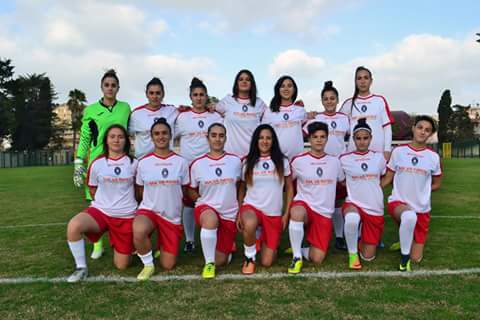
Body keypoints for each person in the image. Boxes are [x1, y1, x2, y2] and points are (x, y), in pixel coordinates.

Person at [66, 125, 138, 282]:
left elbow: (139, 191)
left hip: (125, 216)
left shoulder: (134, 163)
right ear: (106, 140)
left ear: (126, 140)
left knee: (122, 265)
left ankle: (130, 246)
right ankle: (81, 268)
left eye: (120, 136)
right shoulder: (97, 163)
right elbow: (93, 189)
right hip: (101, 212)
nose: (116, 140)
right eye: (112, 136)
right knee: (74, 226)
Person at [73, 69, 131, 259]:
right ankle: (97, 243)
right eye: (107, 85)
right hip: (98, 161)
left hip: (121, 159)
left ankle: (122, 238)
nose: (110, 88)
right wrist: (79, 161)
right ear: (101, 87)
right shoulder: (90, 110)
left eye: (113, 85)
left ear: (118, 88)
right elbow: (85, 137)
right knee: (95, 200)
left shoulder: (125, 107)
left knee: (122, 198)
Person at [381, 115, 442, 271]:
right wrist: (370, 189)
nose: (423, 132)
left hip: (421, 208)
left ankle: (405, 241)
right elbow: (388, 178)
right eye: (420, 127)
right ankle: (403, 259)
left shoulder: (434, 157)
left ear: (430, 135)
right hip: (399, 204)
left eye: (427, 130)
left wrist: (423, 190)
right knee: (408, 216)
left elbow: (437, 184)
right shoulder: (398, 152)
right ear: (413, 128)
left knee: (417, 258)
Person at [133, 118, 189, 280]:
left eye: (164, 133)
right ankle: (148, 265)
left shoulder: (181, 162)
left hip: (171, 217)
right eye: (156, 134)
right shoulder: (143, 163)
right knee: (138, 228)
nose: (161, 136)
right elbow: (140, 191)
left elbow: (183, 190)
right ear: (152, 137)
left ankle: (161, 245)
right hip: (149, 211)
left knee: (168, 264)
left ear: (171, 135)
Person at [288, 121, 345, 273]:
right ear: (309, 140)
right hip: (305, 206)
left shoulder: (335, 162)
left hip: (324, 212)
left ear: (327, 139)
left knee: (317, 258)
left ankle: (302, 248)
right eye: (315, 137)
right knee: (297, 212)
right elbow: (287, 183)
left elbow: (343, 183)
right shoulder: (298, 161)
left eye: (322, 137)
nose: (319, 140)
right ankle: (296, 257)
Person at [174, 77, 223, 253]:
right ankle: (189, 240)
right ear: (190, 97)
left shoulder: (215, 116)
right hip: (189, 167)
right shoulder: (182, 117)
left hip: (211, 166)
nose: (199, 98)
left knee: (212, 202)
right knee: (189, 203)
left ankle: (214, 236)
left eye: (202, 94)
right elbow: (170, 136)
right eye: (195, 95)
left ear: (206, 96)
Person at [188, 123, 242, 279]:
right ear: (207, 138)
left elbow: (239, 187)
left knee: (222, 260)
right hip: (207, 209)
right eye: (214, 135)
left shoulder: (235, 161)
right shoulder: (197, 164)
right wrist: (201, 201)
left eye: (221, 135)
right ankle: (209, 264)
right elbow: (191, 189)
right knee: (210, 220)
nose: (217, 139)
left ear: (225, 138)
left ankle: (223, 252)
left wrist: (239, 208)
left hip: (229, 213)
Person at [237, 124, 293, 274]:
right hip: (252, 207)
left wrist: (286, 214)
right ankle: (249, 257)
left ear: (273, 141)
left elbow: (289, 188)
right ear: (256, 140)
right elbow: (242, 188)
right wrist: (239, 211)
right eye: (261, 138)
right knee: (249, 223)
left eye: (268, 138)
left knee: (267, 262)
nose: (265, 141)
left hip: (272, 213)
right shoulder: (247, 161)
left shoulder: (282, 161)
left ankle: (260, 237)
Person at [303, 81, 350, 250]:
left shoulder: (345, 118)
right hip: (317, 166)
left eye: (332, 98)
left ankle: (339, 236)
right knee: (313, 202)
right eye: (326, 99)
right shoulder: (317, 118)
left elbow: (355, 137)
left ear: (337, 100)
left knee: (338, 202)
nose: (329, 101)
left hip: (338, 166)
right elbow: (301, 131)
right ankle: (308, 236)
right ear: (322, 101)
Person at [339, 118, 386, 270]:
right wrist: (355, 188)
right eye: (358, 138)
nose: (362, 142)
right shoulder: (344, 159)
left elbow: (385, 177)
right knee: (352, 218)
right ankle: (353, 254)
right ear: (353, 139)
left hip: (375, 207)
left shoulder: (379, 158)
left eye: (365, 138)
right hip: (354, 203)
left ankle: (360, 241)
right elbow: (341, 180)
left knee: (369, 256)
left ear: (371, 138)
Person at [339, 66, 394, 160]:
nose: (362, 81)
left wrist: (387, 150)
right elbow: (337, 125)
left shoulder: (379, 100)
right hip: (354, 155)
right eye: (359, 78)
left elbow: (387, 128)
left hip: (378, 154)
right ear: (355, 81)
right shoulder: (348, 104)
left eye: (366, 78)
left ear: (371, 81)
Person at [213, 69, 267, 158]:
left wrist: (295, 105)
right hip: (230, 156)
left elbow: (273, 115)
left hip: (253, 156)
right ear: (236, 83)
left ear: (252, 84)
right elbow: (209, 109)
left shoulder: (259, 103)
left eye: (247, 79)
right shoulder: (227, 100)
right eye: (241, 79)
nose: (244, 81)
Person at [128, 77, 179, 158]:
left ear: (163, 94)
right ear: (146, 94)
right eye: (151, 93)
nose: (154, 96)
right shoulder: (136, 114)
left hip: (166, 160)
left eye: (158, 93)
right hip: (142, 161)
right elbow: (127, 135)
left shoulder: (172, 111)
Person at [262, 76, 306, 160]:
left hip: (297, 159)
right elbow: (264, 134)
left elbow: (306, 129)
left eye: (289, 86)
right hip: (276, 159)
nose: (286, 89)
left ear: (294, 89)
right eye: (282, 86)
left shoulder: (300, 110)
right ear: (278, 89)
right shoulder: (269, 111)